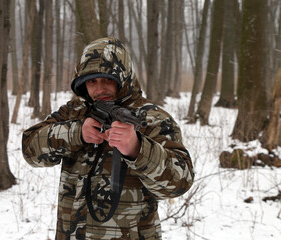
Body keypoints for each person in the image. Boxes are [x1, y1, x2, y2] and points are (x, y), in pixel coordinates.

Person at [22, 37, 194, 239]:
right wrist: (76, 133)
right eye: (91, 81)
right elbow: (30, 150)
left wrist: (138, 149)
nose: (99, 89)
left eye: (108, 79)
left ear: (124, 78)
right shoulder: (75, 112)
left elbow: (180, 183)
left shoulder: (153, 119)